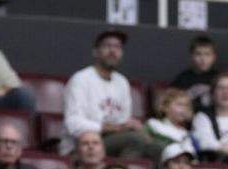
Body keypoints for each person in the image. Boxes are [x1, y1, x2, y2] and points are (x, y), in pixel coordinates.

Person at [62, 29, 157, 159]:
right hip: (82, 144)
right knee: (137, 140)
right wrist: (107, 127)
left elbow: (123, 120)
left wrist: (130, 125)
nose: (113, 51)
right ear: (95, 52)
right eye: (107, 46)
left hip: (112, 140)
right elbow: (73, 123)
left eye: (117, 47)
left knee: (158, 147)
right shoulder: (81, 79)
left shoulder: (122, 82)